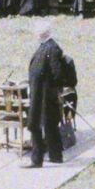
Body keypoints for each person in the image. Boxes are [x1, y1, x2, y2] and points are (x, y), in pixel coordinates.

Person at [26, 21, 72, 167]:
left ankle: (39, 159)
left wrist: (52, 91)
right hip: (39, 94)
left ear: (42, 33)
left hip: (45, 95)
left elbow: (56, 73)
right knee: (46, 126)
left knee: (41, 125)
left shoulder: (52, 48)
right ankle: (54, 156)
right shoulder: (44, 47)